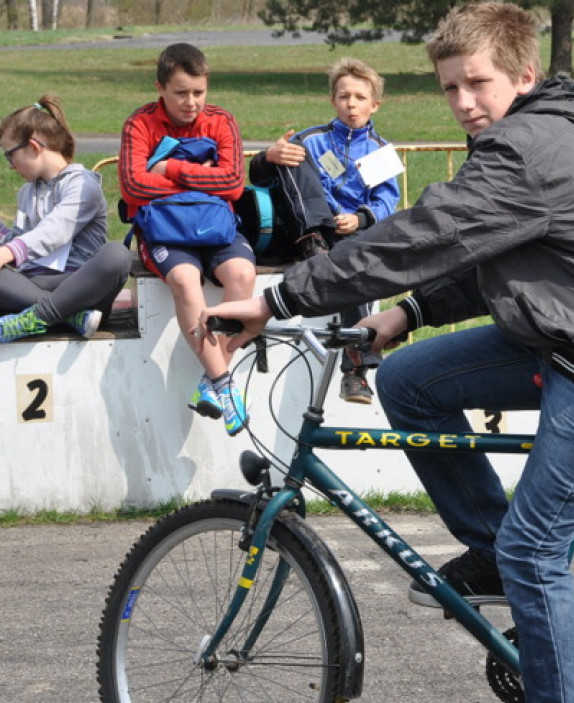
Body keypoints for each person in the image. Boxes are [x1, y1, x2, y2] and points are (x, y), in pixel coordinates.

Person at [199, 4, 574, 703]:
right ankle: (492, 553)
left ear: (524, 77)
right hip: (567, 328)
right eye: (450, 86)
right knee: (411, 381)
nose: (463, 101)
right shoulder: (518, 138)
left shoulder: (525, 149)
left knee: (539, 553)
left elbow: (420, 235)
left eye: (479, 83)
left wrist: (280, 299)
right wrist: (413, 313)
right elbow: (488, 249)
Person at [119, 42, 254, 436]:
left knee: (243, 277)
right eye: (181, 93)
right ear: (160, 88)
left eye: (199, 92)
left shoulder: (222, 120)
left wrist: (170, 168)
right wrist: (200, 179)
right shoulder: (139, 124)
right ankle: (226, 385)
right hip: (165, 231)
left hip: (216, 227)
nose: (191, 102)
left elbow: (232, 183)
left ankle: (211, 377)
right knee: (184, 281)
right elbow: (132, 186)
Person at [249, 58, 401, 405]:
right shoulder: (311, 140)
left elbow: (385, 200)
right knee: (292, 154)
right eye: (345, 96)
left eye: (361, 98)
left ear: (374, 104)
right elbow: (259, 178)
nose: (352, 104)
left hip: (348, 234)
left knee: (353, 260)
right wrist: (267, 157)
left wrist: (360, 219)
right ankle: (313, 243)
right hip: (305, 233)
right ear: (333, 101)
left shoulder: (380, 151)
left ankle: (356, 369)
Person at [0, 96, 130, 343]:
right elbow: (19, 238)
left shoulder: (83, 185)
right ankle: (71, 317)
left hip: (79, 286)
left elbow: (54, 231)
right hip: (33, 285)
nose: (11, 166)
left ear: (34, 147)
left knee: (117, 255)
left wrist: (8, 251)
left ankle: (39, 315)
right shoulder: (26, 193)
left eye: (10, 156)